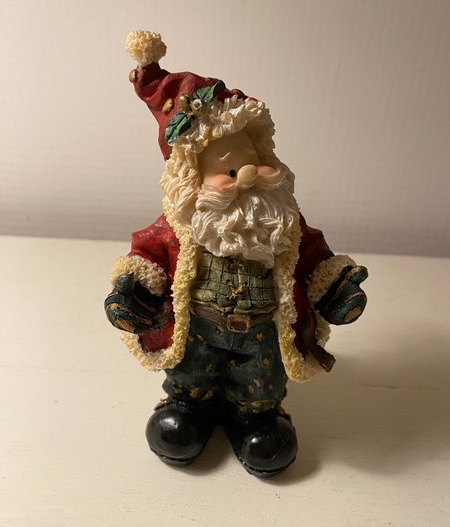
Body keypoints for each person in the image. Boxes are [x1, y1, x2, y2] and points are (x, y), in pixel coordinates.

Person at [105, 31, 368, 477]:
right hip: (199, 332)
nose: (247, 174)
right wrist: (134, 293)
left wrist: (335, 288)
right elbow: (147, 260)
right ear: (192, 179)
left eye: (253, 160)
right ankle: (189, 407)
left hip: (261, 339)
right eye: (227, 169)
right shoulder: (182, 226)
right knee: (191, 377)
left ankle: (257, 417)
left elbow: (315, 262)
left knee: (260, 388)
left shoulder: (282, 223)